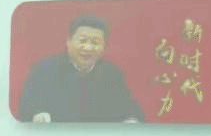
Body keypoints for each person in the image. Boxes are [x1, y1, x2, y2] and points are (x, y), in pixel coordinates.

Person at [16, 14, 144, 123]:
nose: (88, 48)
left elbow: (129, 109)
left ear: (104, 46)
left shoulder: (112, 74)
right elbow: (27, 108)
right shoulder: (45, 70)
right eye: (82, 41)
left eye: (95, 43)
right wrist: (37, 115)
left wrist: (131, 119)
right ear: (68, 41)